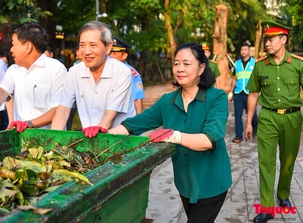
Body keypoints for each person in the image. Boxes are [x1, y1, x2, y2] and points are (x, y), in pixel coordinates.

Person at [84, 43, 232, 222]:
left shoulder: (216, 98)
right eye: (176, 63)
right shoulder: (167, 101)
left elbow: (210, 139)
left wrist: (174, 136)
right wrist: (105, 132)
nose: (180, 69)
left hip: (212, 182)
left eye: (186, 64)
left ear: (201, 68)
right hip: (185, 184)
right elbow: (135, 125)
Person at [244, 20, 303, 223]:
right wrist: (249, 122)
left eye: (271, 39)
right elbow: (253, 94)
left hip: (293, 117)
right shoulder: (260, 66)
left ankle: (283, 195)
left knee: (288, 161)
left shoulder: (298, 64)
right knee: (266, 162)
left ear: (283, 39)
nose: (267, 43)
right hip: (268, 117)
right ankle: (267, 207)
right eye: (265, 40)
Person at [0, 22, 67, 132]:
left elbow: (58, 110)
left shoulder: (56, 69)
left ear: (28, 47)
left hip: (49, 140)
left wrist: (28, 124)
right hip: (21, 140)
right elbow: (2, 91)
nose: (11, 50)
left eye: (14, 44)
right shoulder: (14, 70)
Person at [51, 21, 135, 134]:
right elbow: (63, 111)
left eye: (93, 45)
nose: (86, 52)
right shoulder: (74, 72)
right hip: (89, 139)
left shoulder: (122, 73)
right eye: (82, 45)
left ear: (108, 47)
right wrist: (53, 142)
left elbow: (109, 117)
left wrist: (93, 139)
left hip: (118, 140)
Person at [228, 42, 258, 143]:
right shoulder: (237, 64)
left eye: (245, 49)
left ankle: (255, 131)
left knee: (253, 114)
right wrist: (231, 92)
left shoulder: (255, 62)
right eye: (242, 50)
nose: (243, 51)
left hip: (250, 92)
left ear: (249, 51)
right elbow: (234, 78)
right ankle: (238, 135)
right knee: (237, 115)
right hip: (238, 92)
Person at [109, 37, 145, 114]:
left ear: (124, 56)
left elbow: (137, 100)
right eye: (109, 53)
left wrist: (139, 122)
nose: (111, 56)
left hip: (124, 118)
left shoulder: (132, 74)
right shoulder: (104, 70)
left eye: (114, 53)